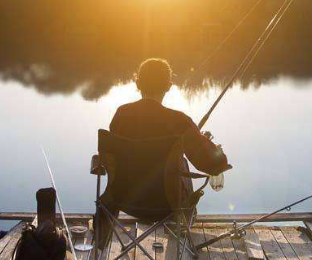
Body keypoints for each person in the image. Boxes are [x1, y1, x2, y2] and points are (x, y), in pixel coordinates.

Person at [96, 58, 228, 248]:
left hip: (123, 200)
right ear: (168, 86)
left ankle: (101, 244)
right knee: (181, 163)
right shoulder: (180, 121)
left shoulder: (121, 115)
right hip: (168, 205)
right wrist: (214, 150)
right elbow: (213, 165)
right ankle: (182, 230)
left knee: (175, 160)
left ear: (137, 83)